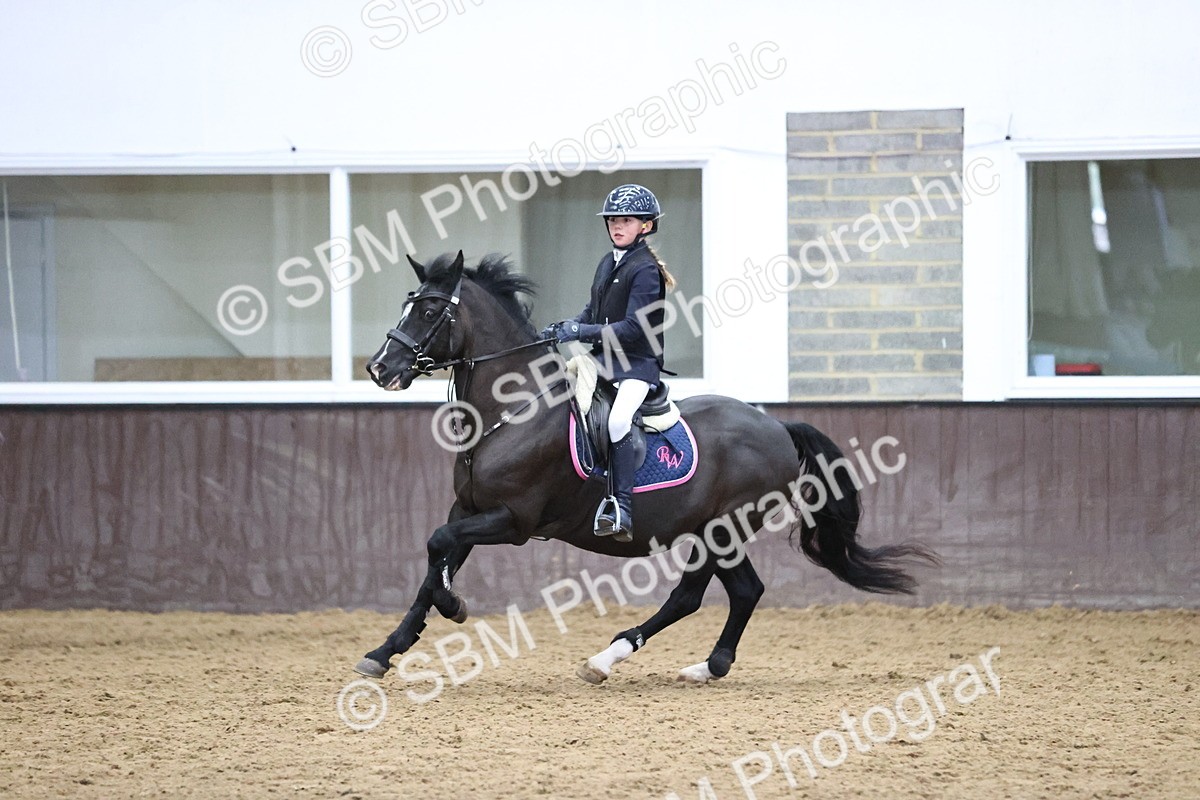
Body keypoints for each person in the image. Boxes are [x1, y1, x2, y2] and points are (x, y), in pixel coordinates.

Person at [540, 183, 677, 542]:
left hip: (636, 365)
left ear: (645, 226)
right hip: (603, 361)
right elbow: (594, 310)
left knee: (617, 421)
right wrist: (565, 327)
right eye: (613, 220)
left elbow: (634, 328)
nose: (617, 226)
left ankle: (622, 509)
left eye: (627, 220)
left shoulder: (645, 270)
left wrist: (581, 330)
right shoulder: (608, 262)